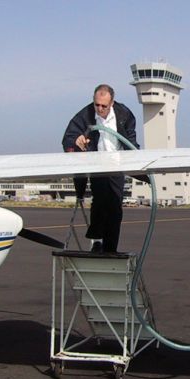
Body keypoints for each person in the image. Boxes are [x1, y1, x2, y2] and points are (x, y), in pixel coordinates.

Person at [62, 84, 139, 253]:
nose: (100, 109)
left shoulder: (124, 114)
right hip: (97, 165)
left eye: (104, 106)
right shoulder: (85, 115)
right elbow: (68, 138)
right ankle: (97, 241)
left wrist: (135, 160)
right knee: (100, 202)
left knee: (115, 207)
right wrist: (76, 141)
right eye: (97, 105)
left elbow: (131, 138)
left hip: (117, 165)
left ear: (112, 103)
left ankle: (111, 247)